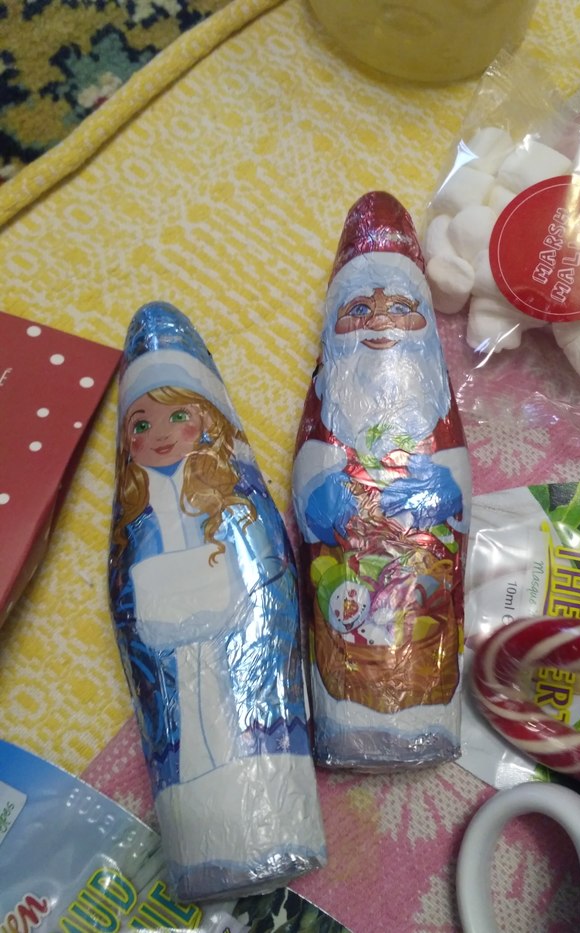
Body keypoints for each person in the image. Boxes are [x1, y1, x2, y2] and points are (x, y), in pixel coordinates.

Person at [109, 301, 325, 901]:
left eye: (177, 415)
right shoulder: (139, 508)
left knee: (240, 716)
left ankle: (271, 824)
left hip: (234, 638)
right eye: (140, 424)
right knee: (185, 723)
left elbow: (265, 576)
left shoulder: (229, 494)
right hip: (174, 649)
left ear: (206, 419)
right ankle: (206, 842)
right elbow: (131, 603)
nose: (158, 435)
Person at [293, 192, 471, 769]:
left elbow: (456, 480)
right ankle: (347, 722)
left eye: (398, 306)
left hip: (424, 584)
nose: (379, 321)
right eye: (359, 309)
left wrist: (439, 492)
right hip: (343, 585)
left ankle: (424, 719)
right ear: (335, 325)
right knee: (340, 623)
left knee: (427, 617)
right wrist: (327, 499)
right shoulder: (332, 398)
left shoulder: (432, 397)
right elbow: (310, 475)